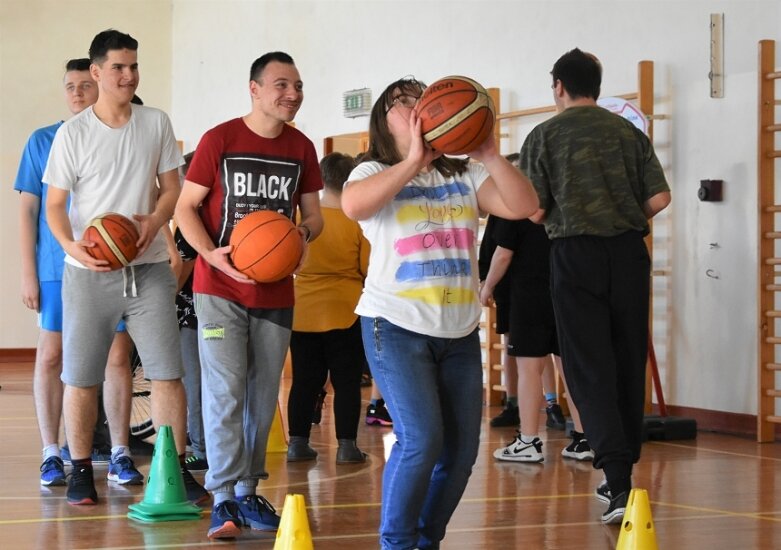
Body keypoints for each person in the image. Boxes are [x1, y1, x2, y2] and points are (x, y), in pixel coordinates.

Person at [341, 77, 538, 549]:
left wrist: (489, 153)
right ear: (384, 121)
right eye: (401, 103)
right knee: (421, 439)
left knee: (462, 451)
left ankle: (425, 541)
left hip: (459, 333)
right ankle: (396, 543)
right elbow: (353, 206)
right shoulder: (370, 171)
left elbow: (526, 206)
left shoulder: (463, 175)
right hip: (394, 326)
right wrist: (412, 162)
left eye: (420, 98)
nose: (415, 107)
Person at [44, 30, 207, 506]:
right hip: (88, 271)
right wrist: (71, 243)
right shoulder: (72, 134)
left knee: (166, 373)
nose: (129, 75)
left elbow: (172, 189)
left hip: (150, 269)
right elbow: (55, 205)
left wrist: (155, 220)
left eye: (134, 66)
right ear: (96, 73)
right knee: (80, 375)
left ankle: (173, 469)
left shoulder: (155, 122)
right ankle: (78, 470)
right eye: (118, 67)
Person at [175, 51, 324, 540]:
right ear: (254, 89)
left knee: (262, 398)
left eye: (298, 86)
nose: (293, 94)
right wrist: (210, 255)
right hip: (219, 287)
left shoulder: (302, 147)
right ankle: (222, 497)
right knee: (225, 389)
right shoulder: (220, 139)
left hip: (276, 291)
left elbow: (314, 218)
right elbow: (185, 208)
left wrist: (299, 241)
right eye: (282, 84)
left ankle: (246, 489)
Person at [521, 48, 671, 523]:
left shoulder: (543, 135)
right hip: (628, 252)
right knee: (627, 359)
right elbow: (660, 197)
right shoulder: (628, 131)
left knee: (587, 366)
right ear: (597, 87)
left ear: (558, 86)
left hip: (574, 255)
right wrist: (620, 220)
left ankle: (619, 481)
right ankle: (622, 474)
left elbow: (536, 210)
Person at [15, 58, 135, 488]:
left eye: (85, 85)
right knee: (51, 356)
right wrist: (28, 272)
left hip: (112, 263)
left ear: (100, 83)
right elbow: (29, 210)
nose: (78, 93)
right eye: (70, 86)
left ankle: (120, 451)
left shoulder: (125, 133)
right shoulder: (44, 140)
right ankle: (52, 451)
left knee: (117, 358)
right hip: (55, 266)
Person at [479, 216, 593, 463]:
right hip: (567, 292)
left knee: (529, 368)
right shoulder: (564, 199)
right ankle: (585, 439)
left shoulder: (519, 207)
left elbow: (503, 254)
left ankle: (528, 440)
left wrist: (487, 286)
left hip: (530, 296)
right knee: (568, 367)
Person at [286, 152, 369, 464]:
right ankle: (347, 446)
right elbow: (366, 268)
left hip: (302, 308)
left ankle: (297, 442)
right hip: (345, 309)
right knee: (346, 382)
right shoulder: (357, 222)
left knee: (304, 381)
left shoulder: (302, 220)